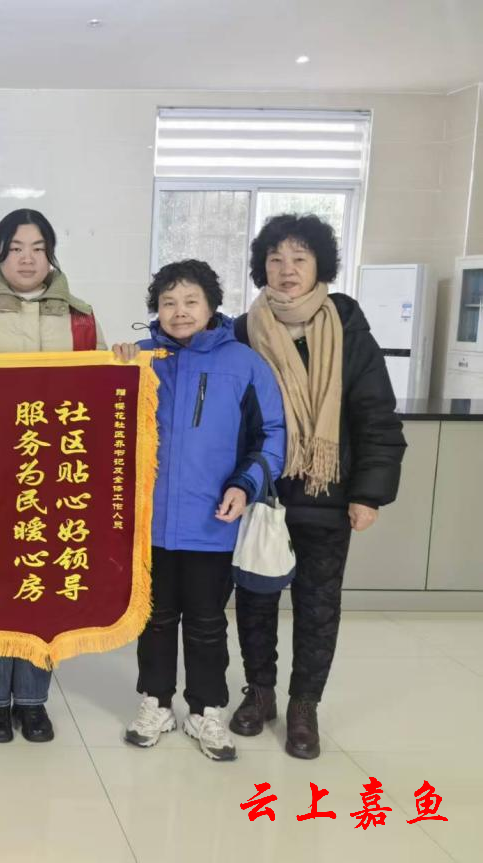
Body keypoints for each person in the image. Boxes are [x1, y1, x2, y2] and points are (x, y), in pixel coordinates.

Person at [230, 213, 406, 759]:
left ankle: (304, 705)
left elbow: (376, 416)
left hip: (328, 493)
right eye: (275, 259)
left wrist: (368, 493)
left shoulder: (347, 329)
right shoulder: (242, 331)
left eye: (299, 259)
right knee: (255, 598)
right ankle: (260, 692)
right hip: (264, 492)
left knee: (318, 605)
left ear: (319, 266)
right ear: (261, 267)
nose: (287, 270)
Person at [0, 208, 107, 743]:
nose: (27, 259)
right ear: (0, 254)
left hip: (55, 477)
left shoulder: (81, 319)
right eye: (15, 248)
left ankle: (33, 700)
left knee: (43, 583)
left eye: (37, 248)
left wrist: (123, 362)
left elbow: (102, 396)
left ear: (51, 254)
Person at [112, 260, 285, 761]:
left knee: (208, 621)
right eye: (168, 302)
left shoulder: (244, 363)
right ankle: (155, 702)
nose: (179, 311)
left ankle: (206, 709)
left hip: (214, 522)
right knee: (155, 618)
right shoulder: (141, 358)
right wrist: (115, 368)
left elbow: (272, 435)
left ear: (211, 306)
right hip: (149, 523)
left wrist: (245, 486)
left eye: (191, 301)